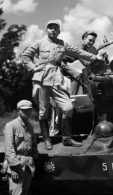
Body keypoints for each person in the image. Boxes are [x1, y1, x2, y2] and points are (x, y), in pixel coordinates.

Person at [21, 19, 103, 150]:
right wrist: (32, 67)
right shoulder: (39, 43)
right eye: (50, 27)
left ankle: (67, 138)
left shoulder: (63, 44)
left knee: (68, 108)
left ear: (59, 31)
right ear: (46, 30)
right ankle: (47, 139)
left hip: (57, 79)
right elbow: (25, 56)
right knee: (43, 112)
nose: (53, 29)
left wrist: (94, 57)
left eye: (55, 28)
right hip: (42, 79)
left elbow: (78, 52)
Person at [3, 100, 38, 195]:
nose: (27, 112)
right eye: (24, 110)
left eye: (29, 110)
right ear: (18, 110)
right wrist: (14, 168)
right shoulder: (11, 125)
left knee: (25, 192)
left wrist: (33, 157)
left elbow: (34, 144)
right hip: (17, 165)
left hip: (28, 165)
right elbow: (9, 148)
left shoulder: (30, 126)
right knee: (16, 192)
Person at [62, 30, 107, 95]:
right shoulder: (79, 48)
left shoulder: (86, 49)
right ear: (84, 39)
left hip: (64, 63)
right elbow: (86, 64)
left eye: (93, 41)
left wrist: (103, 57)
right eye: (90, 40)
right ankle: (75, 97)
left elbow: (94, 57)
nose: (91, 43)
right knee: (77, 75)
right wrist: (98, 56)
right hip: (59, 63)